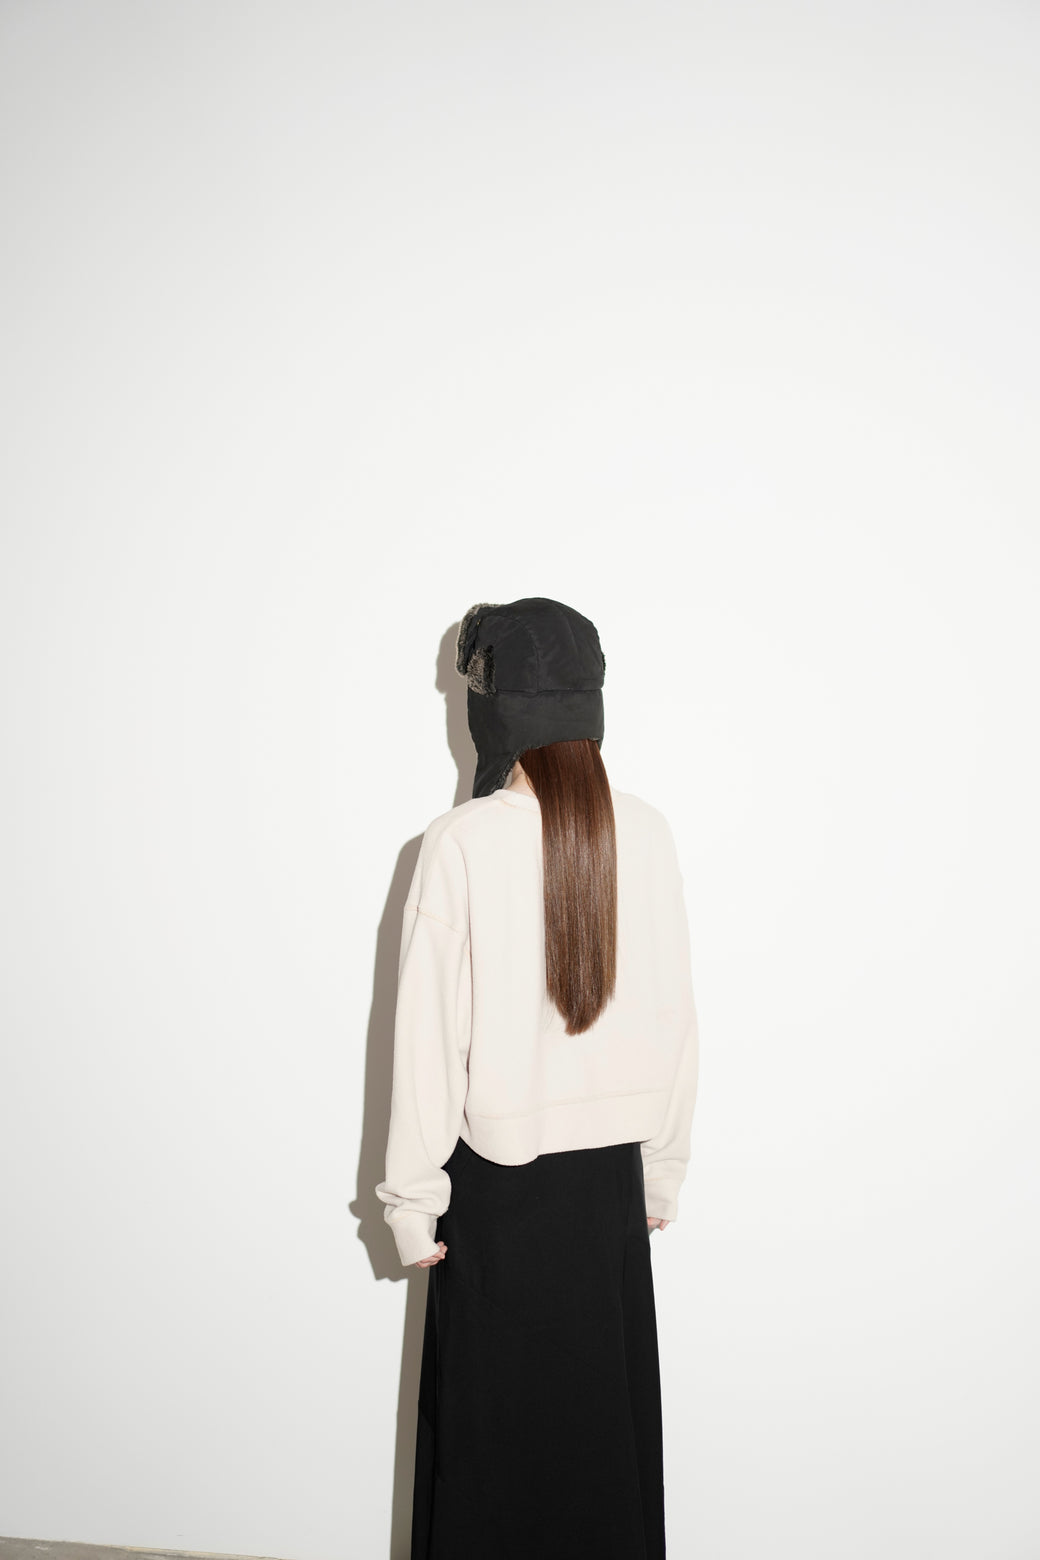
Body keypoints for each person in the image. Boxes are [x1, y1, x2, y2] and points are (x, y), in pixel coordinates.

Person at [375, 596, 700, 1560]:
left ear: (494, 709)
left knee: (491, 1457)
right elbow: (677, 1021)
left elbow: (427, 1042)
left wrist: (412, 1202)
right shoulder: (646, 831)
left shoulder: (463, 841)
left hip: (499, 1198)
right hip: (606, 1199)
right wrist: (660, 1172)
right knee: (600, 1452)